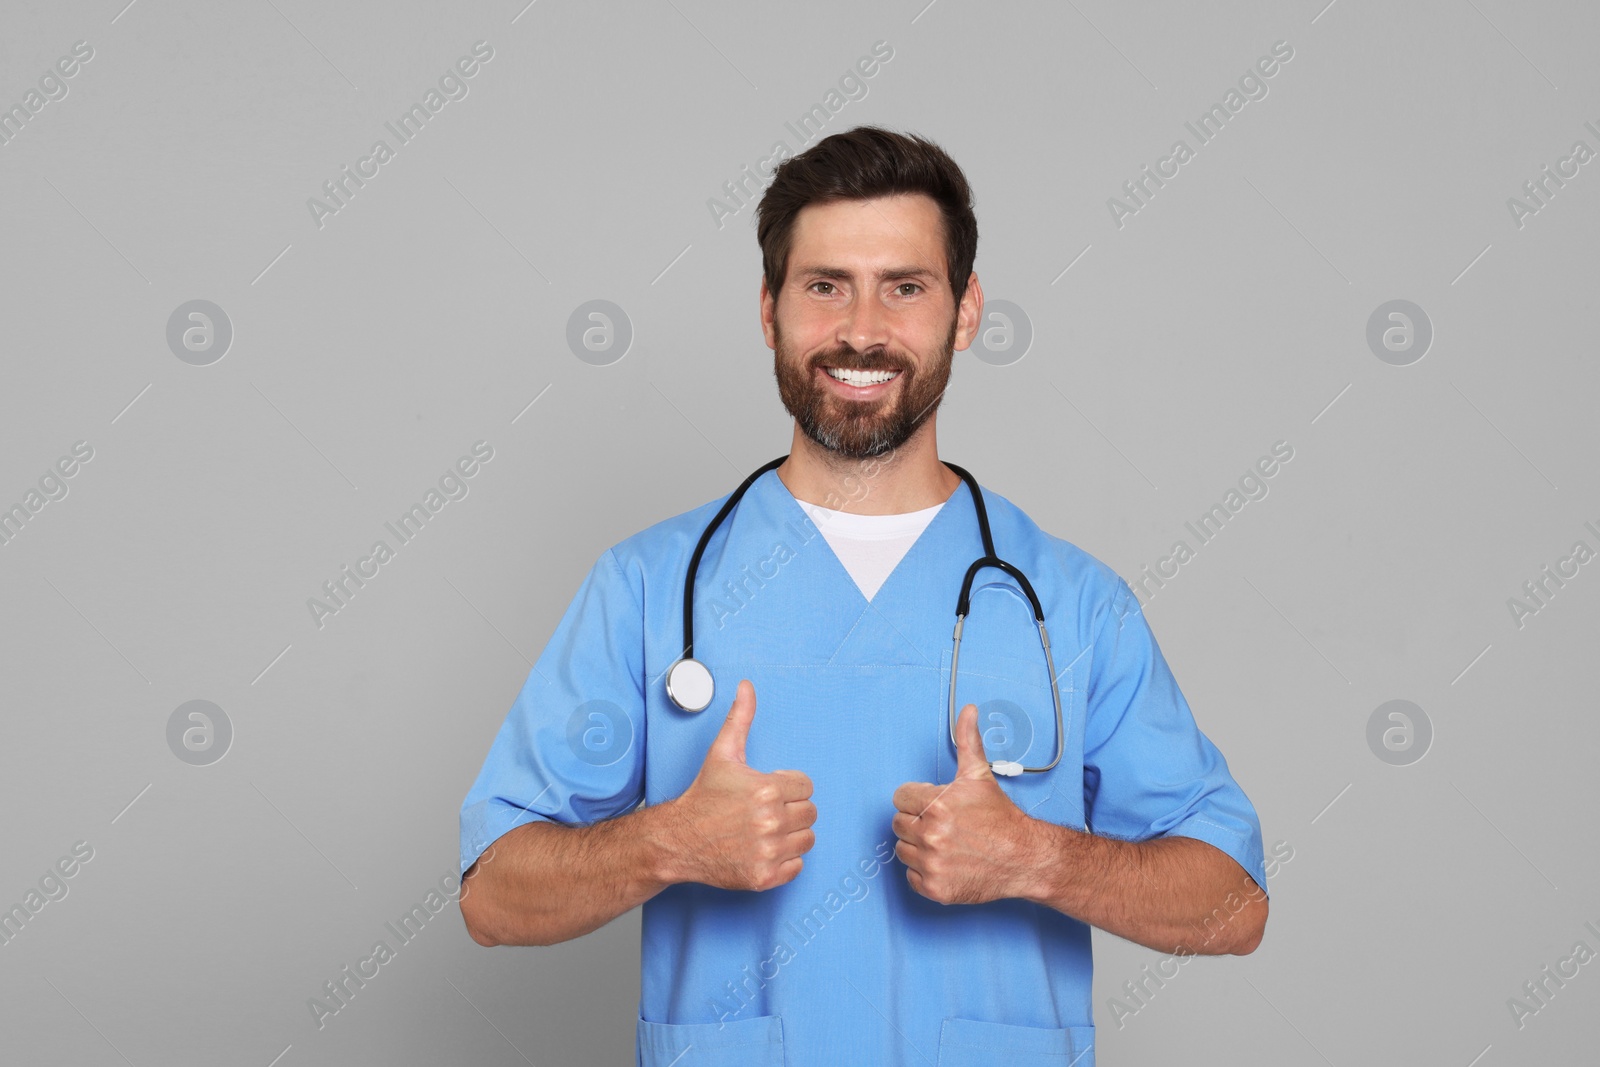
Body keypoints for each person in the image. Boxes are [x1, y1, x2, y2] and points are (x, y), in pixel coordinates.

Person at [457, 125, 1268, 1067]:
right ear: (770, 311)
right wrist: (668, 842)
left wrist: (1036, 859)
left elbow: (1233, 904)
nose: (861, 331)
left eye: (906, 287)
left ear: (965, 313)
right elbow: (490, 896)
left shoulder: (1072, 604)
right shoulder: (647, 588)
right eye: (825, 285)